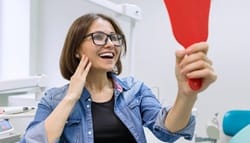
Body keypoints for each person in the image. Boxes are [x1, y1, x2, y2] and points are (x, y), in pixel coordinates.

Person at [20, 13, 217, 143]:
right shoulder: (54, 99)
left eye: (115, 38)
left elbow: (167, 132)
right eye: (98, 37)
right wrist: (71, 96)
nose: (110, 44)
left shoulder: (135, 90)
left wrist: (186, 95)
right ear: (77, 49)